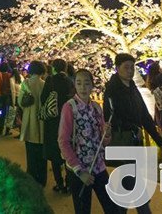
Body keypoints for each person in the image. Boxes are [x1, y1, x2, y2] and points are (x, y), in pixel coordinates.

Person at [103, 53, 162, 214]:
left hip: (135, 142)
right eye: (126, 67)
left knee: (127, 183)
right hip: (122, 142)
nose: (130, 70)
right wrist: (132, 127)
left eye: (132, 67)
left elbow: (145, 117)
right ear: (117, 68)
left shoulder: (133, 88)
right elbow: (110, 117)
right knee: (134, 182)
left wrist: (161, 142)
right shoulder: (112, 90)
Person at [58, 69, 119, 214]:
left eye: (86, 83)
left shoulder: (96, 108)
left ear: (92, 85)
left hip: (98, 166)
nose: (83, 87)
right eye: (79, 83)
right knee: (83, 209)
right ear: (74, 85)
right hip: (79, 170)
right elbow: (63, 141)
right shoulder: (70, 107)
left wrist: (107, 134)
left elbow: (103, 142)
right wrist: (79, 171)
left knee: (112, 207)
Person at [41, 58, 75, 193]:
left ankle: (59, 183)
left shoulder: (50, 80)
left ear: (53, 68)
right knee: (66, 150)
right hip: (67, 120)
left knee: (55, 153)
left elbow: (43, 99)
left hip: (53, 121)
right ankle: (69, 183)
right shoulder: (70, 81)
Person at [19, 60, 46, 186]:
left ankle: (31, 177)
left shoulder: (26, 83)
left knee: (30, 152)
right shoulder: (44, 84)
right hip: (42, 121)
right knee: (42, 153)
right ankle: (42, 179)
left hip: (29, 120)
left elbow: (20, 102)